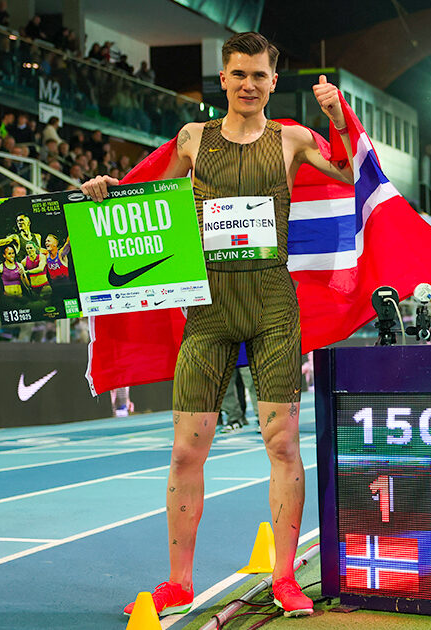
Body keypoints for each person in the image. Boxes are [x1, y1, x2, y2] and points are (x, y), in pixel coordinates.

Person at [81, 32, 356, 619]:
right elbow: (141, 194)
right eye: (239, 75)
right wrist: (106, 192)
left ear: (273, 81)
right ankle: (179, 583)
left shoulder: (293, 139)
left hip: (273, 307)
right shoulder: (193, 139)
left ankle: (285, 577)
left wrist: (337, 115)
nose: (249, 85)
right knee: (186, 452)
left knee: (281, 444)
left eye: (260, 75)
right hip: (207, 311)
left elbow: (349, 172)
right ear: (223, 80)